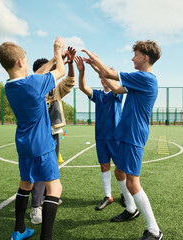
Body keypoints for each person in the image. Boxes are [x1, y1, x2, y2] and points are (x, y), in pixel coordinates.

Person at [82, 40, 163, 240]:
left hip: (134, 136)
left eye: (135, 55)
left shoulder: (146, 78)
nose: (132, 58)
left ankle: (154, 230)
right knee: (119, 172)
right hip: (125, 134)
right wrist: (98, 70)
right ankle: (130, 208)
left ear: (145, 57)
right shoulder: (139, 80)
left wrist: (96, 61)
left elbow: (111, 75)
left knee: (133, 183)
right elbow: (117, 89)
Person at [0, 37, 65, 240]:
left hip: (24, 146)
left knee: (25, 184)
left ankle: (19, 230)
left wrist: (53, 59)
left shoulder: (10, 86)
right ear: (20, 62)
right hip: (42, 146)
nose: (27, 63)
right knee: (55, 188)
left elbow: (37, 76)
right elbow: (60, 72)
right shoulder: (33, 83)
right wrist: (58, 52)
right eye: (26, 60)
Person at [74, 56, 128, 211]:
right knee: (104, 166)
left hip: (115, 138)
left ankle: (124, 194)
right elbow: (83, 87)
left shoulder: (117, 93)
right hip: (101, 137)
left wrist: (99, 69)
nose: (104, 80)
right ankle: (108, 196)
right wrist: (82, 71)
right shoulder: (98, 95)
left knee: (119, 168)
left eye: (106, 76)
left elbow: (110, 80)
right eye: (102, 78)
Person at [29, 47, 76, 225]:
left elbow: (70, 81)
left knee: (51, 167)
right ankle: (36, 207)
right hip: (38, 135)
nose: (51, 74)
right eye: (47, 71)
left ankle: (49, 196)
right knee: (39, 172)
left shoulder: (54, 88)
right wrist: (55, 58)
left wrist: (69, 63)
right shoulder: (30, 88)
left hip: (54, 132)